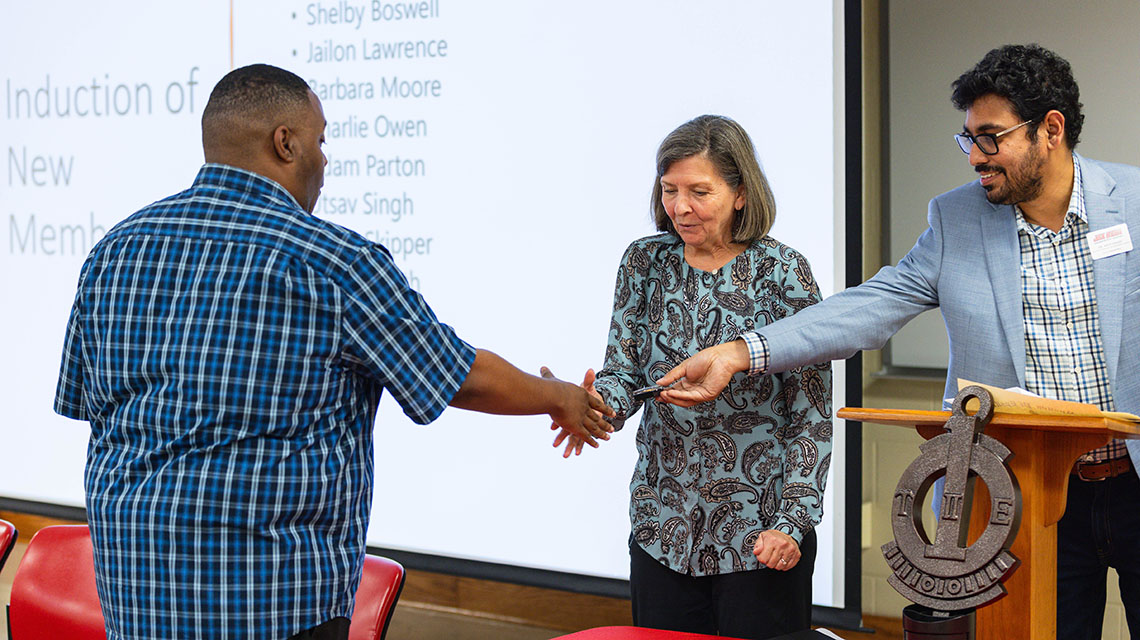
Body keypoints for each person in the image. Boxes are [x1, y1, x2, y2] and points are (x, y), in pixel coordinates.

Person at [53, 63, 613, 640]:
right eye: (320, 141)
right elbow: (454, 374)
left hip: (134, 594)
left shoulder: (114, 250)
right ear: (285, 142)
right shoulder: (332, 262)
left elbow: (87, 406)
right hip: (270, 603)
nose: (324, 160)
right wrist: (559, 398)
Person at [656, 44, 1140, 640]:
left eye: (990, 138)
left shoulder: (1136, 203)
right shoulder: (956, 219)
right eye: (967, 139)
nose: (975, 158)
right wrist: (739, 352)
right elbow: (870, 306)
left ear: (1051, 130)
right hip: (1026, 496)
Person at [555, 115, 832, 640]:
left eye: (699, 191)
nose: (679, 207)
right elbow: (625, 373)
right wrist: (590, 402)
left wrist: (793, 521)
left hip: (760, 529)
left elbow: (810, 409)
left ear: (741, 194)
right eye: (669, 190)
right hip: (663, 523)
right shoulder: (644, 261)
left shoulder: (784, 272)